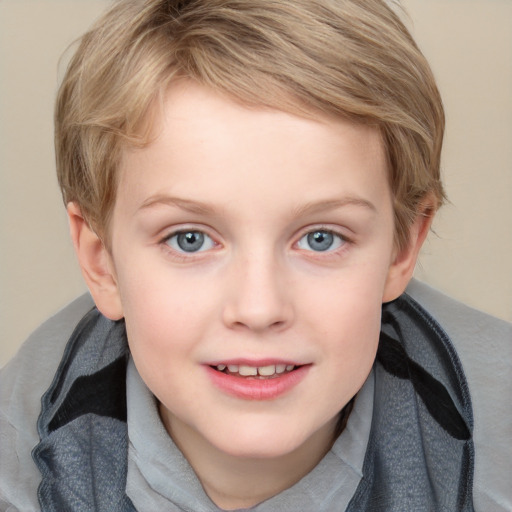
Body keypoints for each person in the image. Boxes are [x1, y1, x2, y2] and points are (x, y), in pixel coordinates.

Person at [1, 0, 510, 510]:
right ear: (101, 262)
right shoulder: (20, 462)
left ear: (403, 247)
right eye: (190, 239)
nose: (259, 308)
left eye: (321, 238)